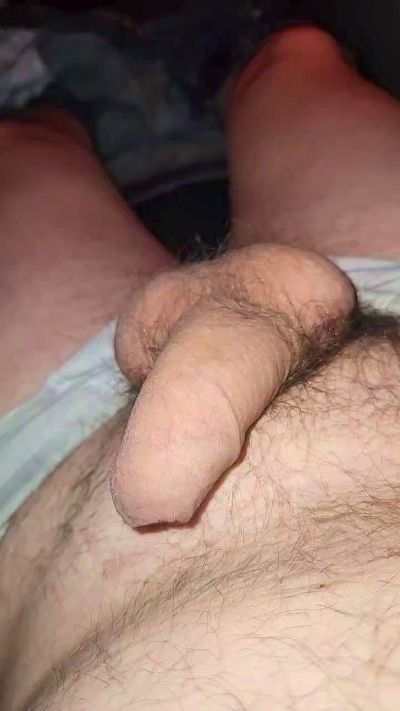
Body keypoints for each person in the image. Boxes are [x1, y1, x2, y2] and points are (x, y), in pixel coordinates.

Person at [1, 26, 400, 709]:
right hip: (391, 289)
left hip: (56, 475)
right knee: (293, 61)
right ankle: (225, 69)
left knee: (20, 153)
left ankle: (57, 100)